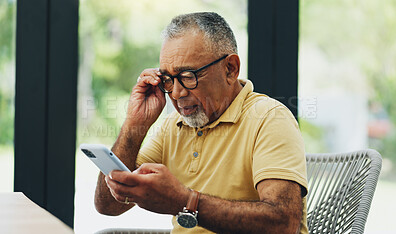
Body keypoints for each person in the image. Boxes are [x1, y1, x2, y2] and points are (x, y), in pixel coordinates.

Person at [95, 12, 308, 234]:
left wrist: (186, 201)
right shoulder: (172, 126)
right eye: (167, 79)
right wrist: (134, 124)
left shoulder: (269, 118)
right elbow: (108, 205)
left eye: (188, 75)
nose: (176, 93)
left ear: (230, 69)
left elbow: (284, 224)